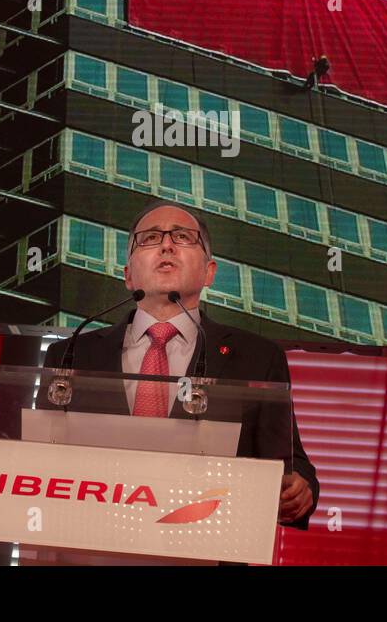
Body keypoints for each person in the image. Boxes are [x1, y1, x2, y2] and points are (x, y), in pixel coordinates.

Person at [43, 201, 319, 528]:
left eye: (184, 237)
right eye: (149, 238)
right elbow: (41, 460)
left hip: (209, 542)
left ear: (209, 272)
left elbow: (289, 464)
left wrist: (298, 489)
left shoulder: (258, 357)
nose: (167, 244)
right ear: (128, 275)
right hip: (89, 543)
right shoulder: (70, 353)